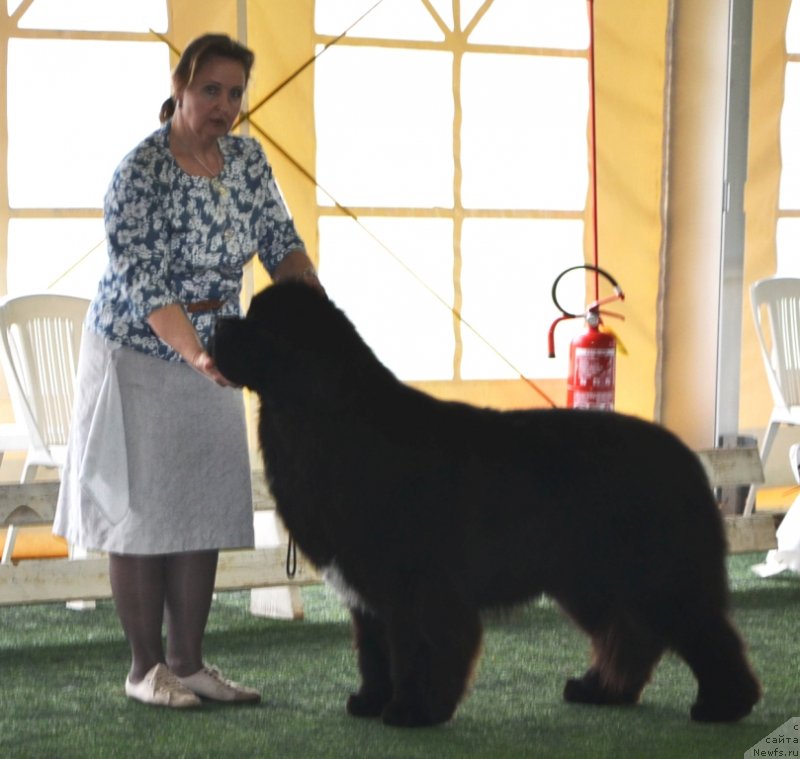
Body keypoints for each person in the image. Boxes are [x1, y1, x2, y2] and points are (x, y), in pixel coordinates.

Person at [53, 33, 321, 708]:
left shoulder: (248, 160)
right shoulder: (138, 172)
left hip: (220, 348)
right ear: (179, 88)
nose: (223, 105)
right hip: (139, 352)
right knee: (142, 516)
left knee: (201, 506)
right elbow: (144, 284)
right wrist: (196, 355)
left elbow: (280, 243)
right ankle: (145, 669)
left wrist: (315, 307)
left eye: (234, 94)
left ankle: (190, 662)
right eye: (210, 90)